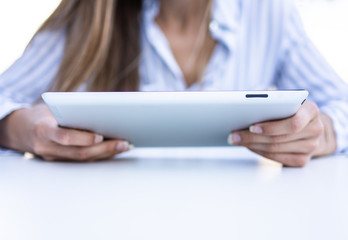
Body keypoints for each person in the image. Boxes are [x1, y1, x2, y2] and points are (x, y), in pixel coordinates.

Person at [0, 0, 347, 166]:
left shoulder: (267, 12)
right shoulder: (90, 15)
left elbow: (341, 104)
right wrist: (20, 129)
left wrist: (320, 134)